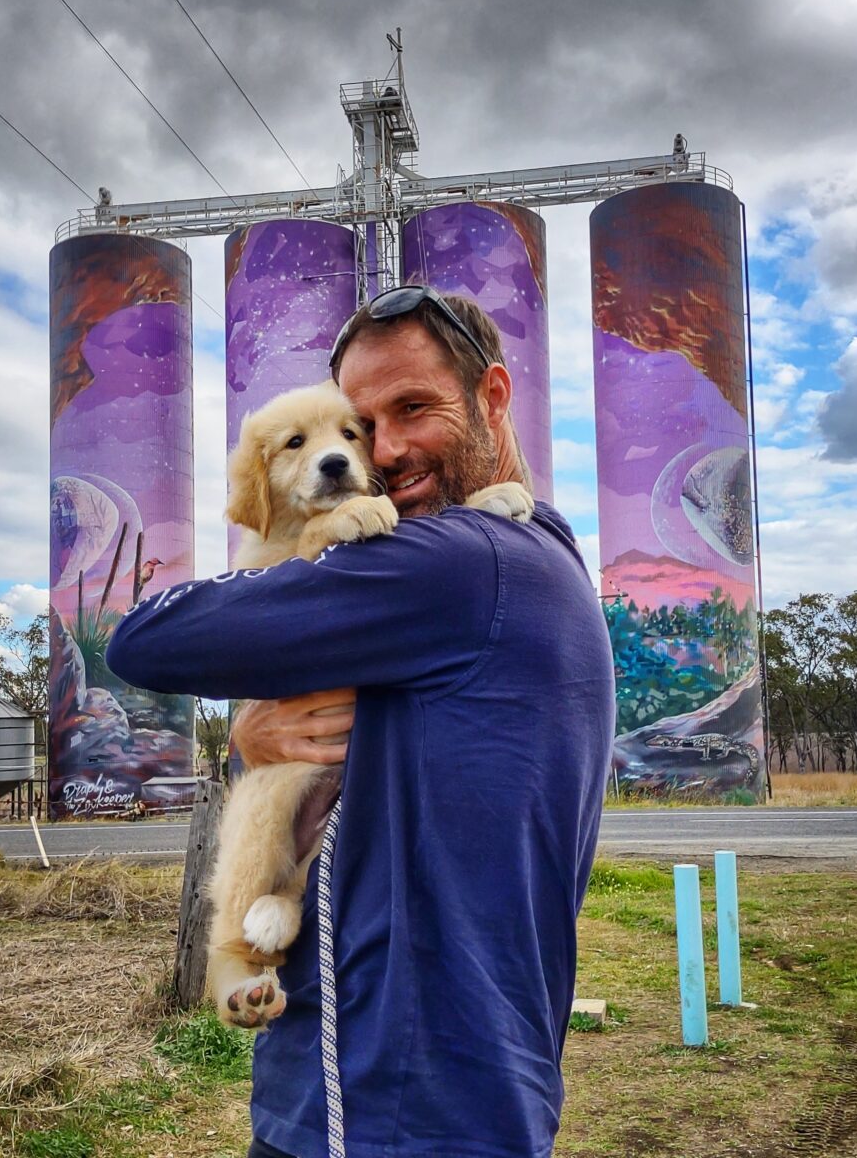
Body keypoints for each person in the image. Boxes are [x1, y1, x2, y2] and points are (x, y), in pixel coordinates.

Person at [106, 286, 615, 1158]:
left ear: (493, 397)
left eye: (415, 408)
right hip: (439, 1078)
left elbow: (146, 639)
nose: (383, 448)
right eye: (365, 419)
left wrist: (250, 703)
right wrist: (251, 736)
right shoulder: (543, 552)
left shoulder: (457, 562)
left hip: (391, 1101)